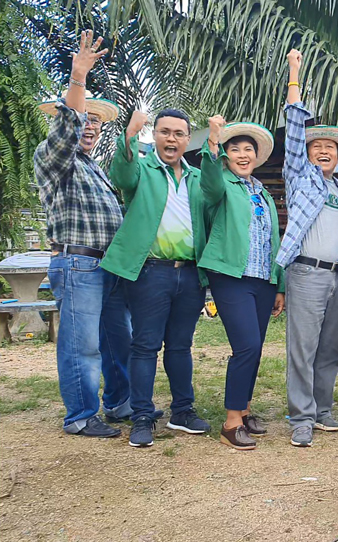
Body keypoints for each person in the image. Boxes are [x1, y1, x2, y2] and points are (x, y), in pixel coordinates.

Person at [34, 31, 132, 437]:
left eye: (94, 120)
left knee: (117, 340)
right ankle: (80, 416)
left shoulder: (94, 168)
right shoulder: (54, 156)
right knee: (82, 346)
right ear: (62, 122)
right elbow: (67, 129)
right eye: (81, 118)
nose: (88, 125)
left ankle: (119, 404)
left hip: (107, 266)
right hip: (77, 264)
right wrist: (78, 77)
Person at [102, 105, 211, 448]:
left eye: (179, 133)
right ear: (155, 135)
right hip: (151, 273)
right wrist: (130, 135)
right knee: (145, 345)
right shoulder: (143, 170)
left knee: (180, 346)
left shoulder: (196, 178)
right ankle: (143, 416)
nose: (172, 139)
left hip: (190, 275)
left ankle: (182, 411)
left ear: (187, 139)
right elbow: (121, 174)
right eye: (165, 132)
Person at [199, 116, 286, 450]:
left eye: (248, 149)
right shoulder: (221, 183)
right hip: (231, 277)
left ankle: (245, 409)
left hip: (262, 280)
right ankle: (231, 422)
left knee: (256, 348)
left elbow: (272, 239)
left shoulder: (261, 191)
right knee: (246, 346)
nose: (242, 154)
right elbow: (208, 183)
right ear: (226, 156)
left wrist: (278, 284)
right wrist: (213, 141)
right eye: (235, 149)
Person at [279, 49, 338, 447]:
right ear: (306, 154)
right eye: (316, 146)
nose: (324, 150)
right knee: (303, 348)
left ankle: (322, 409)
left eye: (331, 148)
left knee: (329, 348)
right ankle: (301, 416)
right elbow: (293, 129)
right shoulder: (299, 178)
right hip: (307, 272)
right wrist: (295, 73)